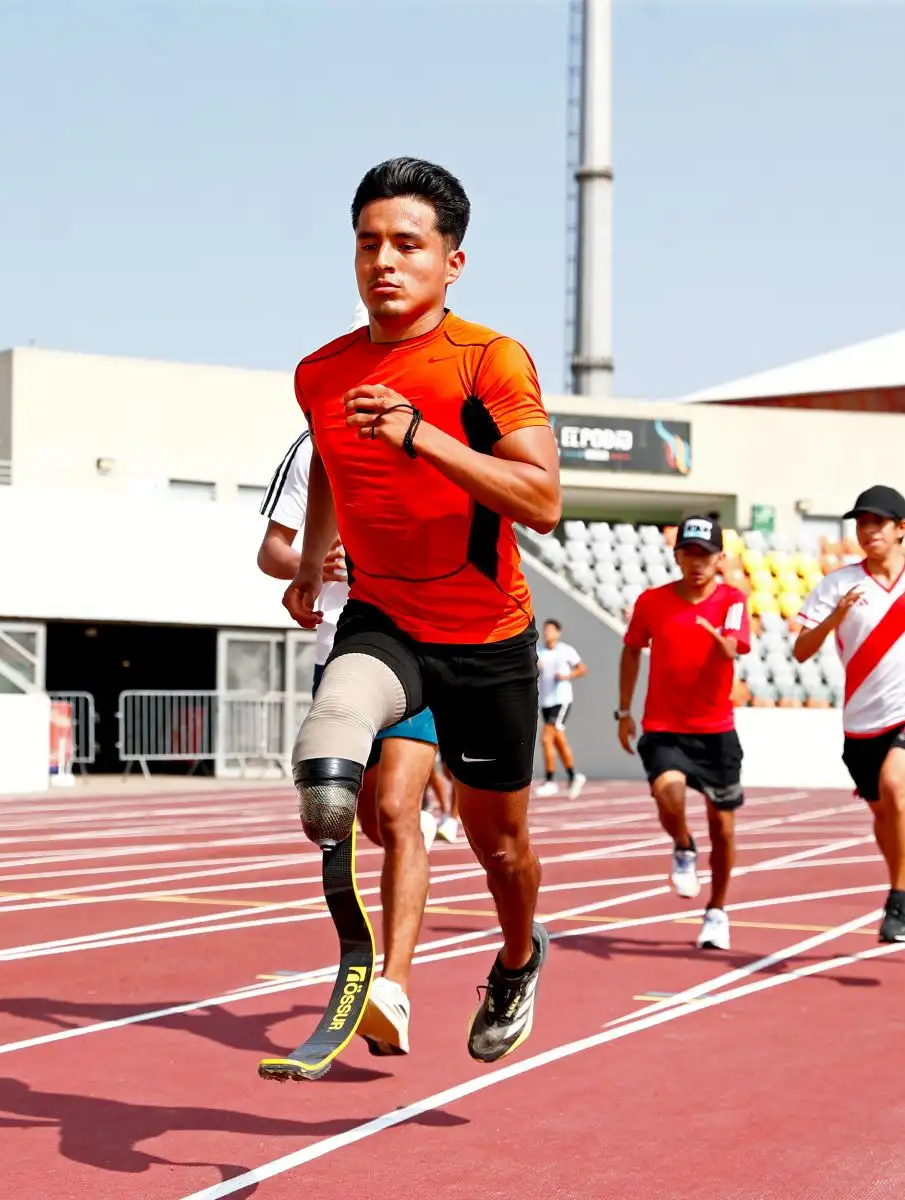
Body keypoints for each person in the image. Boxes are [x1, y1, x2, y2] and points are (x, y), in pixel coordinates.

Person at [282, 156, 559, 1066]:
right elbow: (327, 454)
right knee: (348, 781)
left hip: (487, 639)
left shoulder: (489, 359)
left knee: (499, 843)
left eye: (407, 243)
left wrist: (420, 433)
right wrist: (316, 561)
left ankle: (518, 958)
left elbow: (542, 499)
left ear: (453, 261)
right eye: (368, 244)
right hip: (384, 618)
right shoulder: (319, 371)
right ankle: (387, 982)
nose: (383, 262)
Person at [257, 424, 439, 1055]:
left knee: (397, 809)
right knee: (366, 821)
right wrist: (313, 564)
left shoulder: (430, 431)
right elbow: (272, 552)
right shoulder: (313, 445)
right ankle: (398, 902)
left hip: (422, 644)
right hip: (341, 652)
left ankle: (394, 984)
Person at [793, 485, 905, 944]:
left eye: (877, 522)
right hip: (862, 719)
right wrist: (834, 619)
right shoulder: (837, 585)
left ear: (901, 529)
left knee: (898, 782)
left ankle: (896, 901)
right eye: (861, 523)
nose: (868, 531)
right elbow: (799, 650)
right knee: (882, 814)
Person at [615, 515, 747, 951]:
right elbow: (632, 650)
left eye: (705, 555)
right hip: (664, 726)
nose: (697, 563)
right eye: (689, 554)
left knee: (724, 829)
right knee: (667, 795)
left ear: (719, 559)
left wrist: (725, 646)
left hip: (715, 731)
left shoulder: (732, 600)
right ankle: (683, 845)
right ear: (677, 556)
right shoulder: (652, 602)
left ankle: (718, 910)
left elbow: (735, 643)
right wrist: (623, 710)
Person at [535, 619, 588, 799]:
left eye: (551, 630)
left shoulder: (565, 650)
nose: (547, 633)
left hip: (561, 700)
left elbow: (582, 668)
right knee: (558, 741)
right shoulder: (539, 651)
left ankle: (550, 780)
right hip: (545, 702)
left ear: (558, 632)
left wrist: (568, 675)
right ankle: (574, 775)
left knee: (546, 738)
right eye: (545, 630)